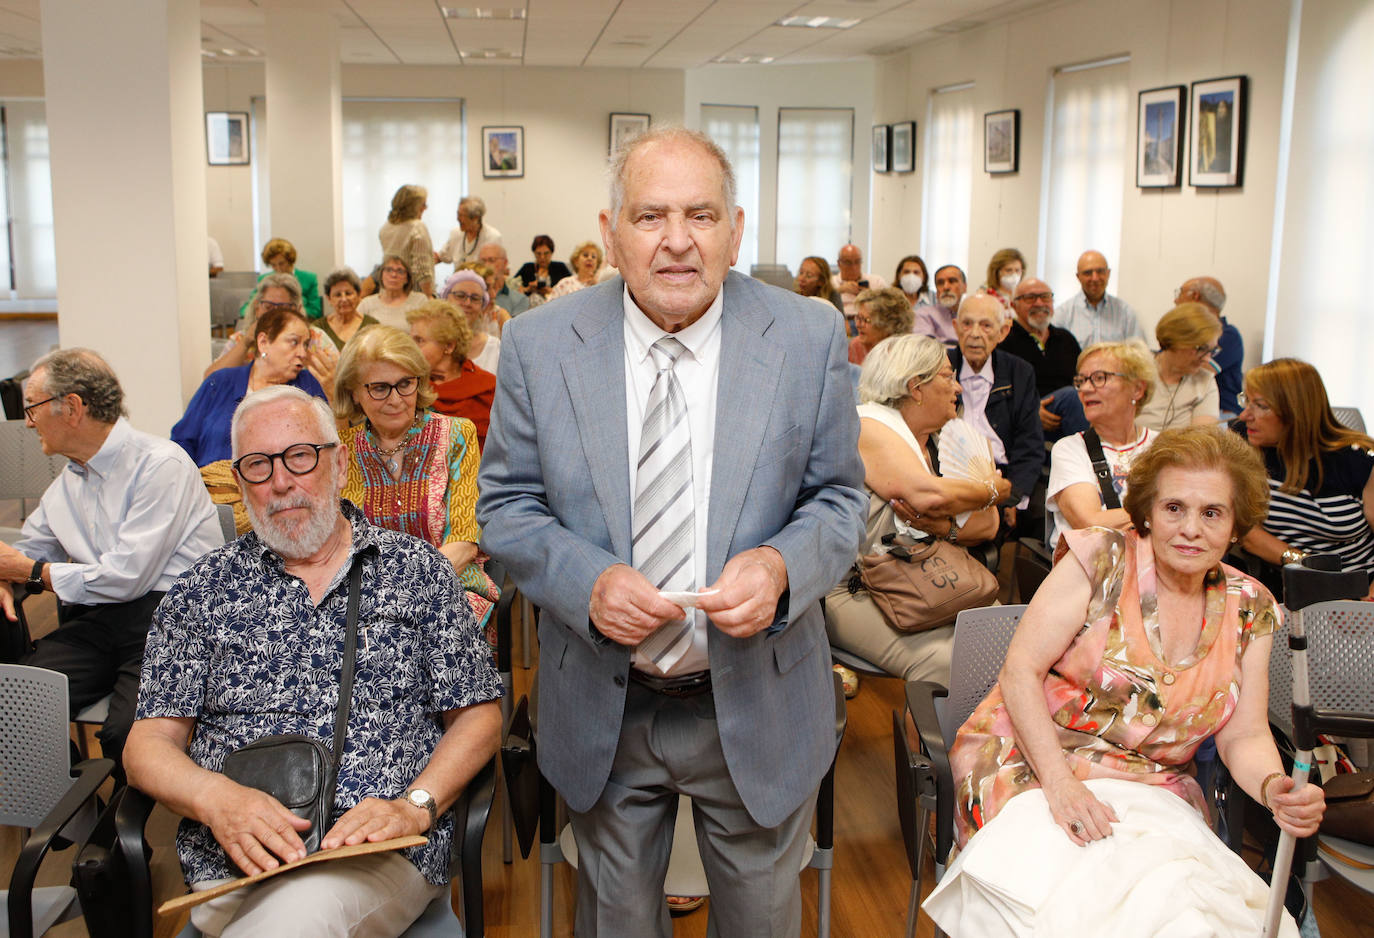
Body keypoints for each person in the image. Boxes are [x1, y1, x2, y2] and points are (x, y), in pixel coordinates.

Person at [476, 126, 867, 938]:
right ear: (610, 229)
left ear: (737, 226)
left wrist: (781, 568)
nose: (679, 242)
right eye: (651, 217)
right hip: (605, 707)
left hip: (756, 701)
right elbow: (507, 506)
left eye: (702, 215)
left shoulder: (806, 337)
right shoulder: (541, 345)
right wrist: (585, 582)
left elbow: (838, 501)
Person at [124, 386, 502, 937]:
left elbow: (478, 715)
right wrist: (216, 799)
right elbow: (146, 746)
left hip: (372, 852)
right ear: (239, 481)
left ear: (340, 462)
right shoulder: (200, 592)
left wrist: (415, 805)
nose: (281, 482)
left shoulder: (416, 572)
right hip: (232, 863)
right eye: (257, 465)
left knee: (297, 922)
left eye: (301, 456)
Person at [931, 426, 1324, 936]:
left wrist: (1275, 789)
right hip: (1029, 759)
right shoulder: (1102, 558)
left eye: (1212, 513)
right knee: (1065, 905)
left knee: (1184, 908)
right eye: (1174, 508)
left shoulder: (1251, 607)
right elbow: (1020, 672)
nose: (1190, 529)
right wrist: (1062, 786)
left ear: (1235, 524)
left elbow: (1244, 735)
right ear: (1147, 511)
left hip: (1152, 786)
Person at [0, 349, 221, 775]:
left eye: (32, 408)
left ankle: (123, 835)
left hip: (172, 621)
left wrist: (26, 573)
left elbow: (127, 578)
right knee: (15, 704)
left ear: (73, 408)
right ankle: (81, 823)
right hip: (100, 618)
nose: (27, 422)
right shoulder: (69, 479)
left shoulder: (161, 465)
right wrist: (6, 578)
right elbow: (32, 547)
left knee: (129, 738)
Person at [824, 333, 1008, 686]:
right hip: (856, 588)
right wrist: (994, 489)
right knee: (946, 663)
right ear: (916, 386)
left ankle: (990, 740)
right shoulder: (868, 426)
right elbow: (930, 498)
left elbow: (987, 526)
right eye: (947, 376)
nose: (957, 388)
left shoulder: (945, 442)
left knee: (1007, 636)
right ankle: (929, 742)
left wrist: (943, 529)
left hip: (925, 573)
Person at [334, 326, 499, 630]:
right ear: (355, 392)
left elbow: (464, 543)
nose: (396, 399)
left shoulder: (456, 435)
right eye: (380, 388)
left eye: (405, 384)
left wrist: (404, 595)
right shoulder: (344, 451)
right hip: (365, 598)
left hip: (449, 589)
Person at [1238, 358, 1374, 599]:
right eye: (1246, 400)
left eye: (1260, 405)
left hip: (1362, 589)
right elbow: (1249, 534)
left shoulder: (1359, 461)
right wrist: (1311, 569)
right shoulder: (1243, 445)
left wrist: (1367, 598)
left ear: (1295, 411)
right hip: (1291, 587)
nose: (1245, 414)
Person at [173, 305, 328, 467]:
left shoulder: (307, 386)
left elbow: (326, 444)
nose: (302, 353)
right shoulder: (220, 382)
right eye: (294, 342)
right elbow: (182, 441)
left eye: (305, 345)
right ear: (263, 342)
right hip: (210, 486)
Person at [1046, 341, 1158, 548]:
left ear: (1137, 389)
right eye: (1081, 380)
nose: (1086, 389)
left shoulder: (1162, 447)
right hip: (1091, 572)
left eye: (1099, 378)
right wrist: (1162, 512)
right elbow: (1089, 524)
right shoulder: (1070, 449)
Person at [946, 292, 1044, 528]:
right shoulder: (941, 366)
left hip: (1001, 476)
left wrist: (1013, 497)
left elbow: (1029, 445)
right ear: (956, 328)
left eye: (986, 325)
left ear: (1003, 332)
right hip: (950, 476)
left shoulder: (1020, 372)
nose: (975, 334)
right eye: (967, 324)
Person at [208, 273, 335, 390]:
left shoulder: (314, 338)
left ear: (297, 309)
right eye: (268, 307)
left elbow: (338, 379)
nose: (274, 314)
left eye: (283, 308)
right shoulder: (241, 338)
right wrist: (245, 342)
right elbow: (210, 382)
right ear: (257, 308)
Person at [408, 300, 496, 448]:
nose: (410, 347)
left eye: (419, 340)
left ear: (449, 346)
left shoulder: (488, 388)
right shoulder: (405, 386)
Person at [1003, 277, 1084, 436]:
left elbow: (1083, 378)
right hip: (1024, 416)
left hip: (1070, 413)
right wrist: (1030, 409)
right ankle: (1091, 456)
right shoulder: (1004, 340)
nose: (1039, 303)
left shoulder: (1066, 339)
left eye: (1045, 297)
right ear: (1014, 306)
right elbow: (996, 390)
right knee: (1070, 396)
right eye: (1030, 298)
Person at [1138, 302, 1222, 431]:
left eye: (1212, 350)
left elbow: (1201, 440)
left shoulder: (1205, 381)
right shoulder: (1136, 372)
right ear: (1175, 342)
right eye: (1201, 349)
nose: (1207, 358)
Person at [1176, 276, 1242, 417]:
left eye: (1180, 293)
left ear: (1195, 296)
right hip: (1182, 408)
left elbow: (1193, 368)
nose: (1175, 301)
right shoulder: (1182, 334)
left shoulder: (1228, 335)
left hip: (1220, 413)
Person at [1054, 250, 1145, 347]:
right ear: (1078, 277)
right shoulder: (1062, 315)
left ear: (1108, 273)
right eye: (1088, 273)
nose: (1095, 278)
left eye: (1100, 271)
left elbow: (1138, 354)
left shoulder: (1126, 313)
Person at [439, 270, 501, 375]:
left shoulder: (495, 348)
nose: (467, 303)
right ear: (445, 298)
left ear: (482, 306)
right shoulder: (432, 343)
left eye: (475, 298)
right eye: (460, 295)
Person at [378, 184, 435, 297]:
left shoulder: (386, 227)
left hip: (389, 292)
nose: (425, 208)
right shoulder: (417, 228)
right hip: (413, 294)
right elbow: (422, 270)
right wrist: (429, 297)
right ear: (413, 206)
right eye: (423, 204)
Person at [248, 238, 321, 320]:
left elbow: (315, 311)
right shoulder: (264, 279)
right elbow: (247, 308)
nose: (278, 269)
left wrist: (291, 309)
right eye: (273, 265)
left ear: (290, 260)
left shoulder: (308, 279)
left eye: (281, 263)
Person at [357, 254, 429, 330]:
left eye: (400, 271)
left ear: (407, 279)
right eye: (389, 270)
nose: (394, 275)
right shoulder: (367, 304)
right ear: (381, 276)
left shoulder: (420, 301)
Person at [315, 267, 378, 350]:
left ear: (358, 295)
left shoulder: (372, 326)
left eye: (348, 293)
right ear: (329, 299)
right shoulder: (318, 328)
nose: (344, 299)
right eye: (338, 295)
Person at [849, 285, 913, 365]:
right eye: (858, 318)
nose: (858, 325)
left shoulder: (906, 352)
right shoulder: (856, 346)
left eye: (865, 320)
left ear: (888, 325)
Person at [437, 195, 502, 269]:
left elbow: (497, 269)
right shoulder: (455, 234)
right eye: (458, 214)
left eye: (461, 215)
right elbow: (441, 256)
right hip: (459, 280)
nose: (458, 219)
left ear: (475, 218)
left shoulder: (492, 237)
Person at [832, 243, 888, 323]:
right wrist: (839, 291)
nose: (853, 267)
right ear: (839, 264)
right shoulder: (831, 283)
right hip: (841, 321)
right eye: (848, 262)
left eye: (857, 262)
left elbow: (887, 307)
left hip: (870, 322)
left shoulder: (876, 281)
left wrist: (869, 295)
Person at [915, 264, 965, 347]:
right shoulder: (923, 315)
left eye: (952, 281)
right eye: (940, 283)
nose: (946, 287)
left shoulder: (974, 316)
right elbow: (925, 349)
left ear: (964, 287)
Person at [478, 242, 530, 316]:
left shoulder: (519, 300)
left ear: (505, 263)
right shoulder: (473, 297)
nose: (486, 265)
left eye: (491, 260)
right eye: (483, 261)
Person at [461, 260, 513, 336]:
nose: (493, 295)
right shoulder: (448, 320)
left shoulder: (498, 316)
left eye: (493, 287)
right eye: (486, 288)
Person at [516, 234, 572, 304]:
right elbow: (512, 286)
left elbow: (571, 289)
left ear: (551, 253)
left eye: (546, 253)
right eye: (538, 254)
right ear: (534, 253)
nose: (542, 257)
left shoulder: (560, 267)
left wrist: (552, 291)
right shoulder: (527, 268)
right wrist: (527, 289)